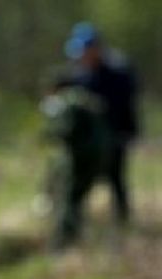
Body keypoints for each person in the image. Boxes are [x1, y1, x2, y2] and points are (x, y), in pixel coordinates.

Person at [63, 22, 139, 232]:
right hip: (84, 144)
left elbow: (127, 108)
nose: (82, 57)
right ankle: (73, 226)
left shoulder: (117, 75)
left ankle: (123, 223)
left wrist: (128, 132)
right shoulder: (77, 77)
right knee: (77, 185)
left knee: (116, 180)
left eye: (86, 51)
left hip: (114, 138)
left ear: (96, 49)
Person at [41, 70, 110, 247]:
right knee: (78, 197)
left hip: (77, 157)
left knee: (68, 199)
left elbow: (66, 131)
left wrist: (51, 134)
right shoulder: (87, 99)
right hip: (100, 155)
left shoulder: (65, 103)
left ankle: (62, 242)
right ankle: (77, 237)